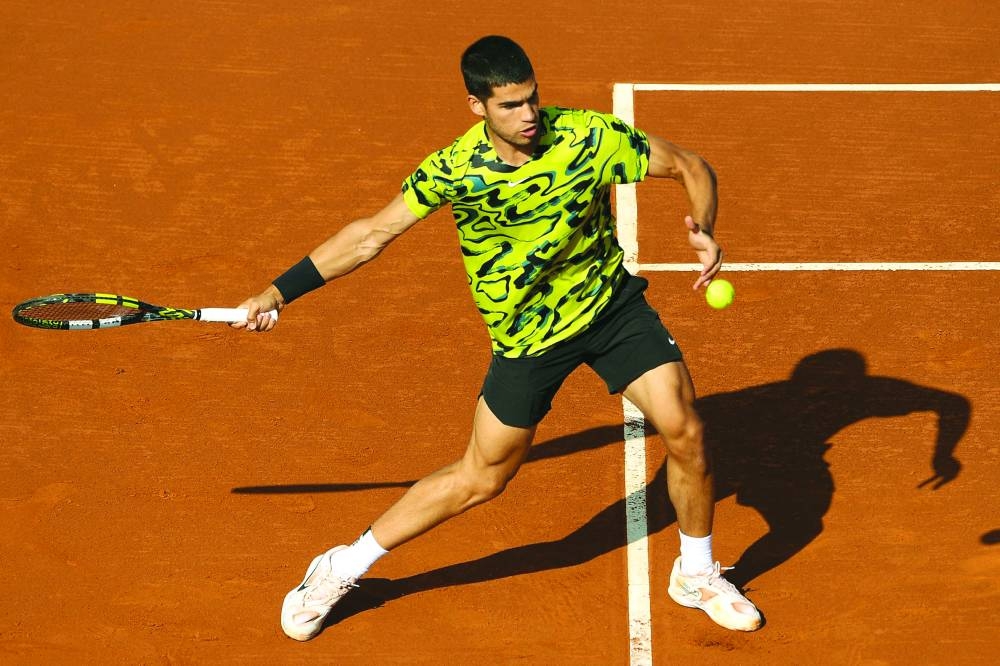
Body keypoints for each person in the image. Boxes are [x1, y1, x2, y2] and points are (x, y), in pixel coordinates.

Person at [233, 35, 762, 640]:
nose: (529, 115)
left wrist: (707, 229)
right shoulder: (456, 171)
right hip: (527, 337)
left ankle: (695, 572)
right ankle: (342, 565)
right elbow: (369, 236)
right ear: (476, 106)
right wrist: (276, 293)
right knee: (482, 477)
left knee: (685, 429)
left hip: (610, 310)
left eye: (532, 99)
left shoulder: (588, 137)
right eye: (510, 105)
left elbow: (690, 165)